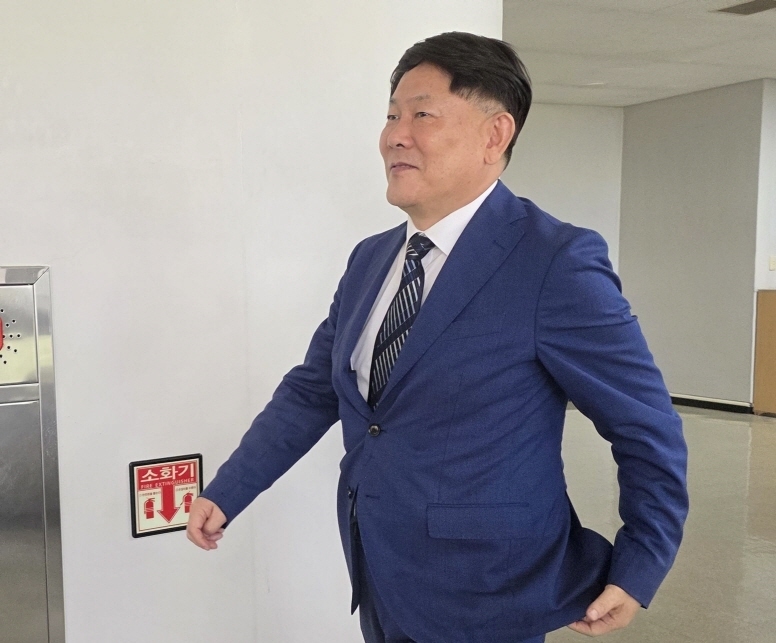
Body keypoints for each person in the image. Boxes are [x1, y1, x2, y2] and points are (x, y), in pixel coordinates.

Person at [187, 32, 689, 643]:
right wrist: (231, 489)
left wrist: (639, 566)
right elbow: (314, 390)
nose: (395, 136)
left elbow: (645, 426)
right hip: (379, 569)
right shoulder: (370, 260)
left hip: (489, 592)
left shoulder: (554, 262)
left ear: (495, 135)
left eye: (422, 115)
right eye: (391, 116)